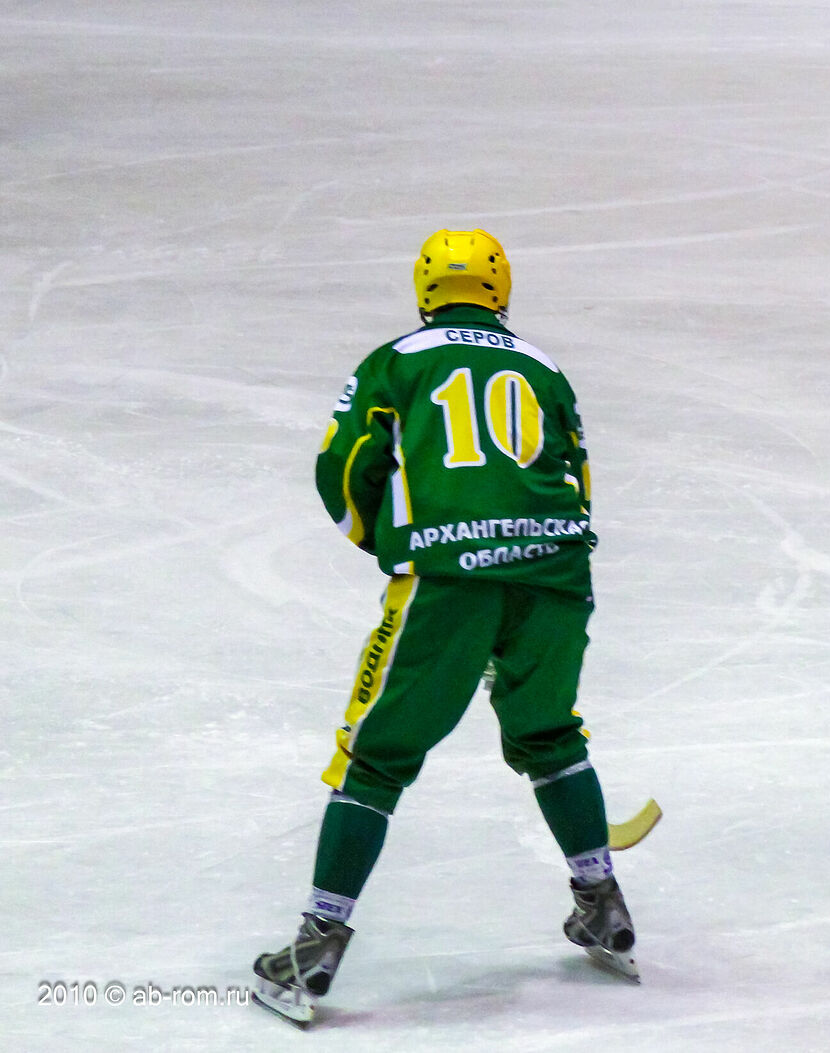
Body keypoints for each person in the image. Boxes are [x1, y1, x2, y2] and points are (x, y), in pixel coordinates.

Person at [251, 229, 637, 1026]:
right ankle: (601, 900)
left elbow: (343, 470)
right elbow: (578, 478)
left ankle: (317, 943)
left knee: (375, 755)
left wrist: (396, 544)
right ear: (501, 289)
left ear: (426, 289)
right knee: (549, 733)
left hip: (446, 578)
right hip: (556, 574)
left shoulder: (395, 361)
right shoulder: (544, 367)